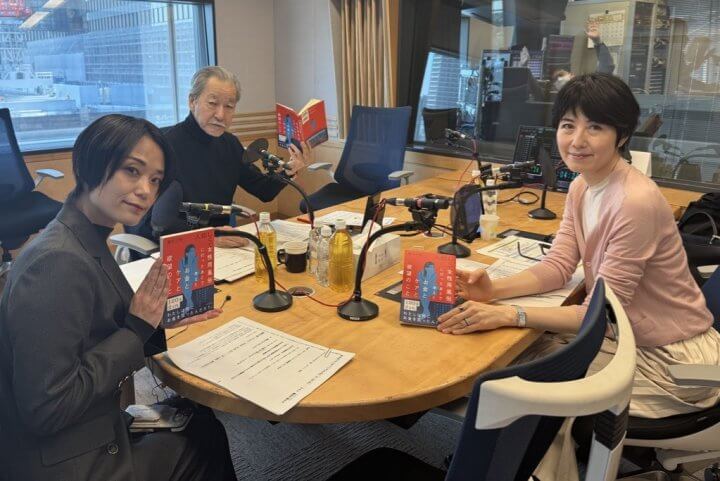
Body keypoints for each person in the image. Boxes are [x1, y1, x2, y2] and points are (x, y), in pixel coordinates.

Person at [437, 73, 720, 479]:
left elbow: (595, 316)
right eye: (568, 125)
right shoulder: (582, 188)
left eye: (596, 127)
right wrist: (493, 290)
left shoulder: (635, 202)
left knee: (536, 391)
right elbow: (558, 265)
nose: (577, 140)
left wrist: (510, 314)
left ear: (622, 136)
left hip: (674, 363)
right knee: (520, 362)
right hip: (626, 336)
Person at [0, 114, 237, 481]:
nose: (145, 190)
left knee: (200, 420)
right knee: (203, 441)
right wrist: (136, 328)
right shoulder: (55, 262)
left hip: (83, 426)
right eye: (132, 170)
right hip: (62, 459)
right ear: (91, 164)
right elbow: (48, 409)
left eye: (155, 180)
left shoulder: (83, 236)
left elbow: (94, 332)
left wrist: (155, 323)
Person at [130, 66, 314, 249]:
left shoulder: (230, 144)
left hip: (222, 247)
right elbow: (148, 222)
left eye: (229, 106)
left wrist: (290, 169)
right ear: (192, 101)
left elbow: (263, 190)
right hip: (174, 247)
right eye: (212, 103)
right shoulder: (161, 147)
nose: (221, 115)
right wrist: (207, 236)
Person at [552, 21, 615, 90]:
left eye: (571, 74)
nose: (574, 75)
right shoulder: (589, 90)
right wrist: (597, 41)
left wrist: (597, 41)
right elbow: (607, 67)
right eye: (571, 75)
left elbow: (607, 68)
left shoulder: (587, 88)